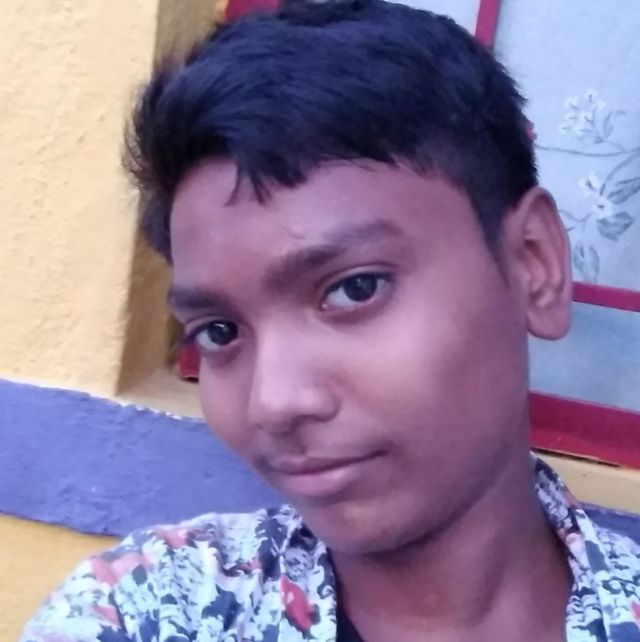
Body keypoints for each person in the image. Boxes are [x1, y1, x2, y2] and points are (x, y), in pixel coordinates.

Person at [20, 1, 640, 641]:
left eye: (354, 289)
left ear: (533, 264)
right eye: (219, 332)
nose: (274, 403)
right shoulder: (145, 611)